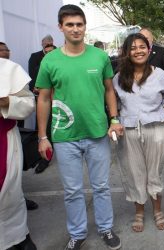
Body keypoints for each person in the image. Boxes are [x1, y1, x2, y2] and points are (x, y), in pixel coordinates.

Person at [35, 5, 123, 250]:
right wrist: (42, 136)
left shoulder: (99, 56)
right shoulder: (50, 60)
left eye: (79, 24)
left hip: (97, 133)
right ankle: (77, 233)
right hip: (65, 136)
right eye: (70, 24)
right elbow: (43, 98)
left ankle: (106, 229)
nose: (75, 29)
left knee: (102, 186)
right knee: (72, 190)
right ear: (61, 27)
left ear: (85, 27)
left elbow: (109, 90)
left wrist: (114, 119)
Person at [113, 33, 164, 232]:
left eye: (142, 46)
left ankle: (157, 211)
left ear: (149, 49)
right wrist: (114, 122)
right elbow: (116, 105)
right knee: (134, 172)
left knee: (154, 172)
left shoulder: (160, 74)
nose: (138, 51)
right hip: (129, 131)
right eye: (133, 48)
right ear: (127, 52)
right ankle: (139, 212)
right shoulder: (119, 77)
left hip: (157, 129)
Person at [0, 58, 37, 250]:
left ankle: (17, 235)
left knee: (10, 191)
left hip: (3, 136)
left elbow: (28, 103)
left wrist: (5, 100)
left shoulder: (7, 69)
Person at [28, 36, 56, 174]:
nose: (48, 45)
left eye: (50, 43)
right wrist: (46, 59)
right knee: (42, 126)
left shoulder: (60, 53)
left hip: (59, 98)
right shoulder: (35, 57)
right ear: (42, 45)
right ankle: (43, 158)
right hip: (42, 97)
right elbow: (33, 76)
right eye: (45, 44)